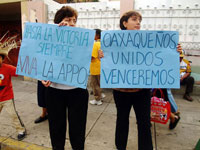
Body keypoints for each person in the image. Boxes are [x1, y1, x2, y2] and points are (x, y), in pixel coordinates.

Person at [42, 6, 89, 150]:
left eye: (74, 20)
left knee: (78, 129)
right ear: (58, 22)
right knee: (56, 128)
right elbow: (40, 58)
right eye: (68, 20)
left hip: (78, 91)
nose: (72, 23)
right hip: (55, 91)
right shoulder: (49, 37)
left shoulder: (82, 39)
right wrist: (41, 77)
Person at [112, 10, 153, 150]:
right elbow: (108, 60)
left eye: (139, 20)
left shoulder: (146, 40)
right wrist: (102, 55)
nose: (138, 23)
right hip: (121, 90)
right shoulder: (114, 40)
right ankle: (120, 147)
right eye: (134, 19)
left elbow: (160, 58)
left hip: (142, 90)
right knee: (122, 120)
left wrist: (174, 52)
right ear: (124, 23)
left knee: (144, 122)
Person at [0, 48, 26, 141]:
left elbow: (20, 70)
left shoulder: (7, 68)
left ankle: (21, 130)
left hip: (7, 97)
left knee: (13, 115)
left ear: (2, 59)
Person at [89, 29, 105, 105]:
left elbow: (92, 57)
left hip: (95, 67)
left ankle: (97, 99)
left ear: (97, 35)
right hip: (101, 67)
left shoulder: (95, 44)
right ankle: (101, 95)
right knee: (99, 83)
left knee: (95, 84)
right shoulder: (103, 43)